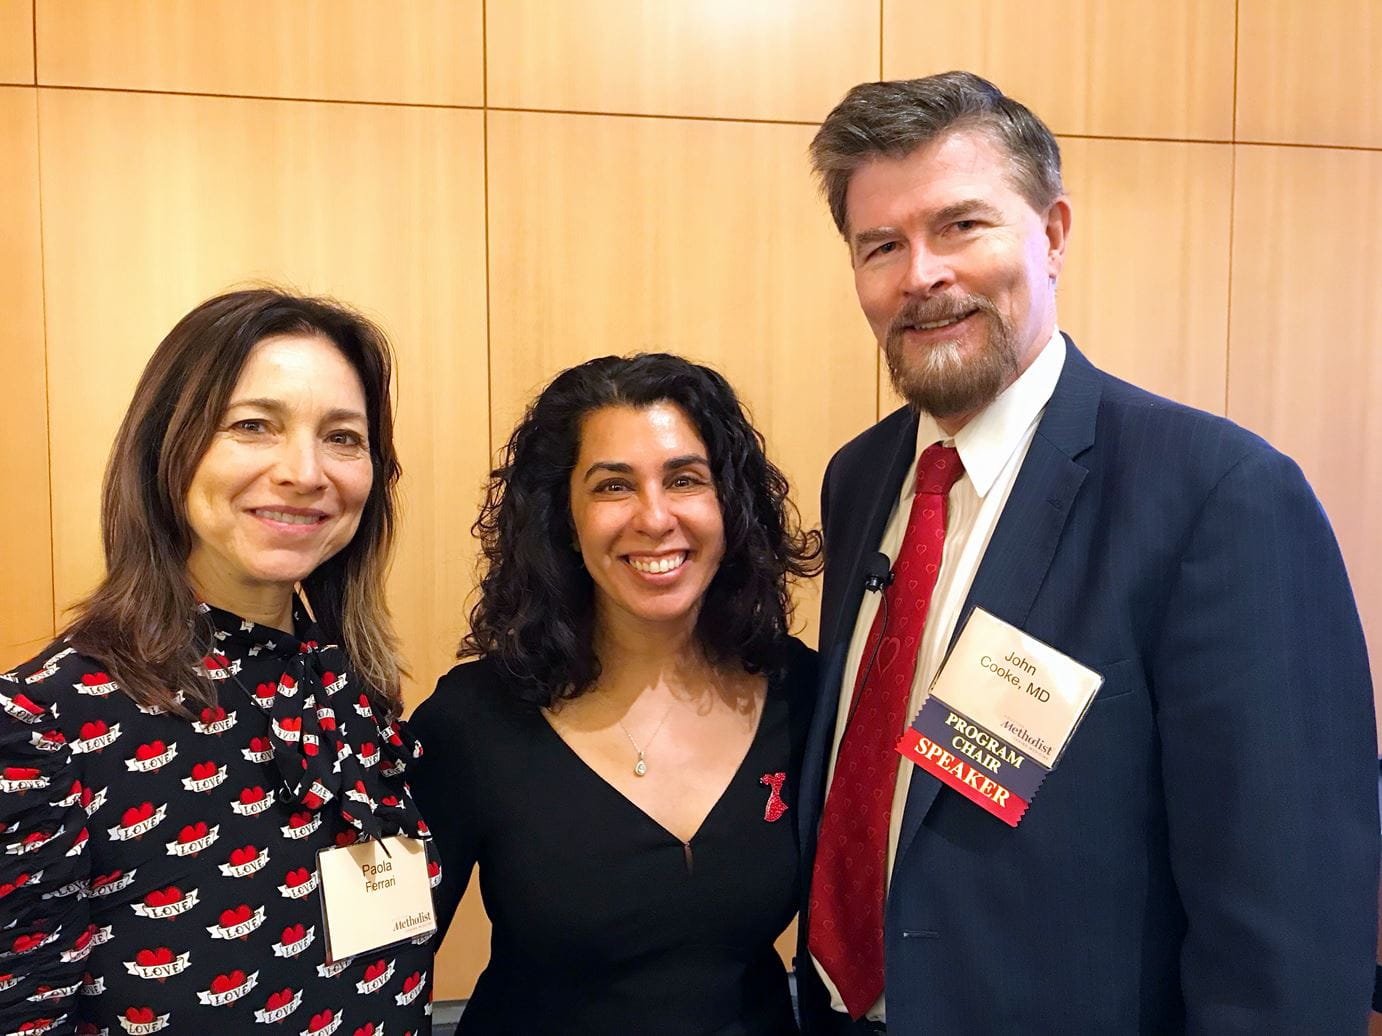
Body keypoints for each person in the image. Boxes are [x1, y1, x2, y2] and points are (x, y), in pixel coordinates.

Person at [795, 72, 1378, 1034]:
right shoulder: (860, 479)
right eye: (882, 245)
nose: (921, 275)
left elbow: (1290, 932)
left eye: (961, 226)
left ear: (1054, 233)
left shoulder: (1217, 497)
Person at [0, 289, 437, 1034]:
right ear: (166, 449)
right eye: (253, 425)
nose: (305, 471)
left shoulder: (351, 689)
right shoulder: (44, 726)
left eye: (342, 437)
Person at [410, 353, 821, 1034]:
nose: (655, 518)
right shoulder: (474, 721)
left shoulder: (801, 694)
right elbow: (380, 970)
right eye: (613, 486)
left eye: (685, 479)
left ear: (730, 504)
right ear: (564, 519)